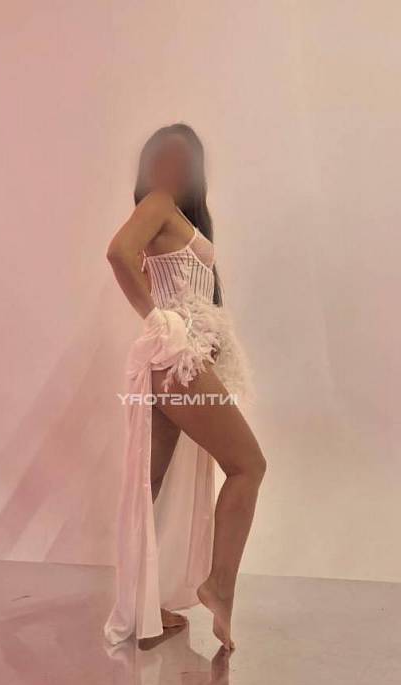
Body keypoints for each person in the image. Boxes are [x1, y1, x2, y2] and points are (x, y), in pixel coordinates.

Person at [104, 123, 266, 651]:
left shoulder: (176, 214)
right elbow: (118, 253)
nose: (170, 168)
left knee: (147, 486)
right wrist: (158, 321)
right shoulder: (156, 203)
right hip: (179, 361)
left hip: (174, 365)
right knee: (248, 465)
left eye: (181, 159)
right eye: (162, 157)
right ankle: (219, 586)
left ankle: (141, 608)